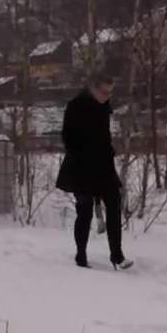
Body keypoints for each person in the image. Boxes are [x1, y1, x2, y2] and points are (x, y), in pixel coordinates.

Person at [55, 73, 133, 270]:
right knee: (85, 211)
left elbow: (103, 136)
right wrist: (84, 154)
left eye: (110, 92)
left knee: (114, 204)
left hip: (103, 166)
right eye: (104, 92)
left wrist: (109, 150)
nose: (107, 96)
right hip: (80, 167)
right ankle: (81, 254)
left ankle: (117, 255)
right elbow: (68, 137)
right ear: (93, 88)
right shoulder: (76, 106)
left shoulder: (103, 106)